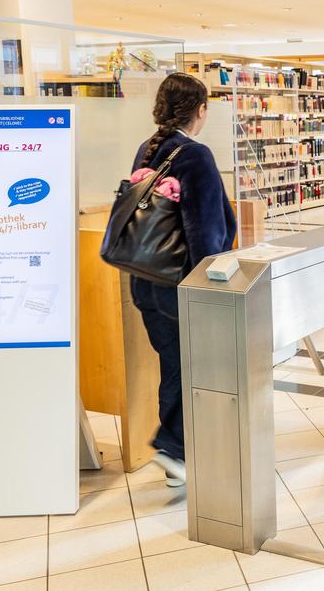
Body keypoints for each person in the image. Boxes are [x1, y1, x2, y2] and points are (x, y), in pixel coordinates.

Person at [129, 72, 236, 487]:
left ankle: (179, 454)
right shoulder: (196, 155)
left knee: (173, 362)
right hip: (179, 283)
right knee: (191, 363)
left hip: (145, 278)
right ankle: (175, 447)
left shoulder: (148, 148)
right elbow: (205, 231)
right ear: (201, 110)